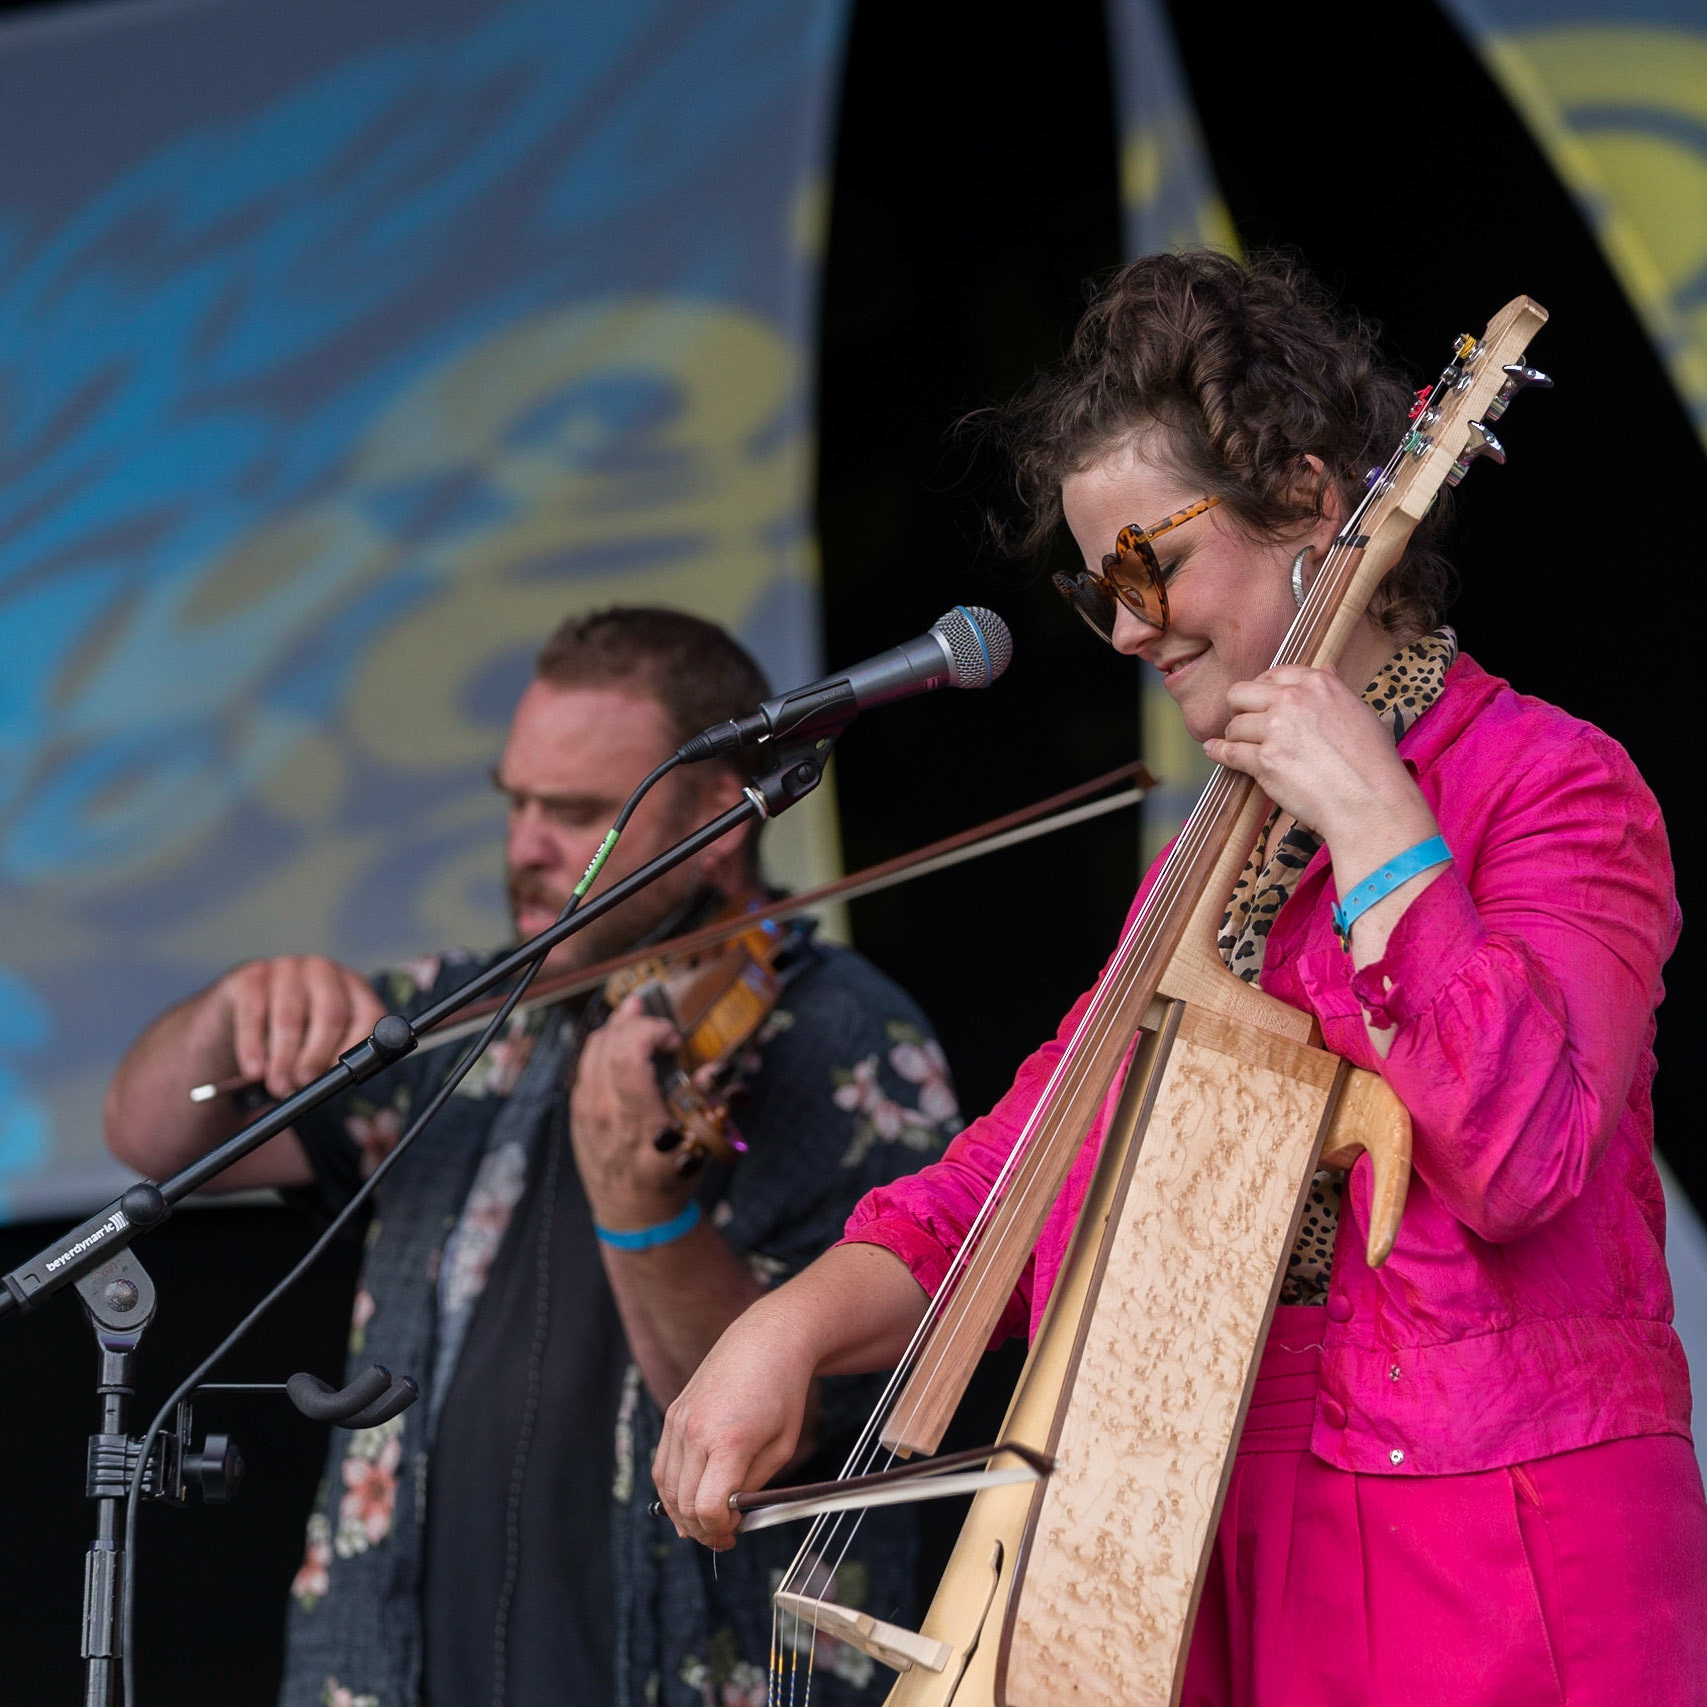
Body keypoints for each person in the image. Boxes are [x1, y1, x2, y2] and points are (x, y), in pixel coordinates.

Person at [653, 255, 1707, 1704]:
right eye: (1097, 590)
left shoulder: (1553, 786)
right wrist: (784, 1327)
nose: (1129, 627)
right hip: (1208, 1534)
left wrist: (1383, 834)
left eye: (1146, 564)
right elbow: (1023, 1173)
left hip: (1484, 1556)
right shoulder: (1206, 864)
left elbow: (1522, 1156)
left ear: (1307, 497)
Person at [104, 607, 963, 1707]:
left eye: (578, 814)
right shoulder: (464, 1012)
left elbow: (797, 1441)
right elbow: (153, 1134)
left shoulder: (843, 1039)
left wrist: (643, 1212)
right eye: (516, 803)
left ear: (722, 812)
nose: (527, 847)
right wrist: (225, 1019)